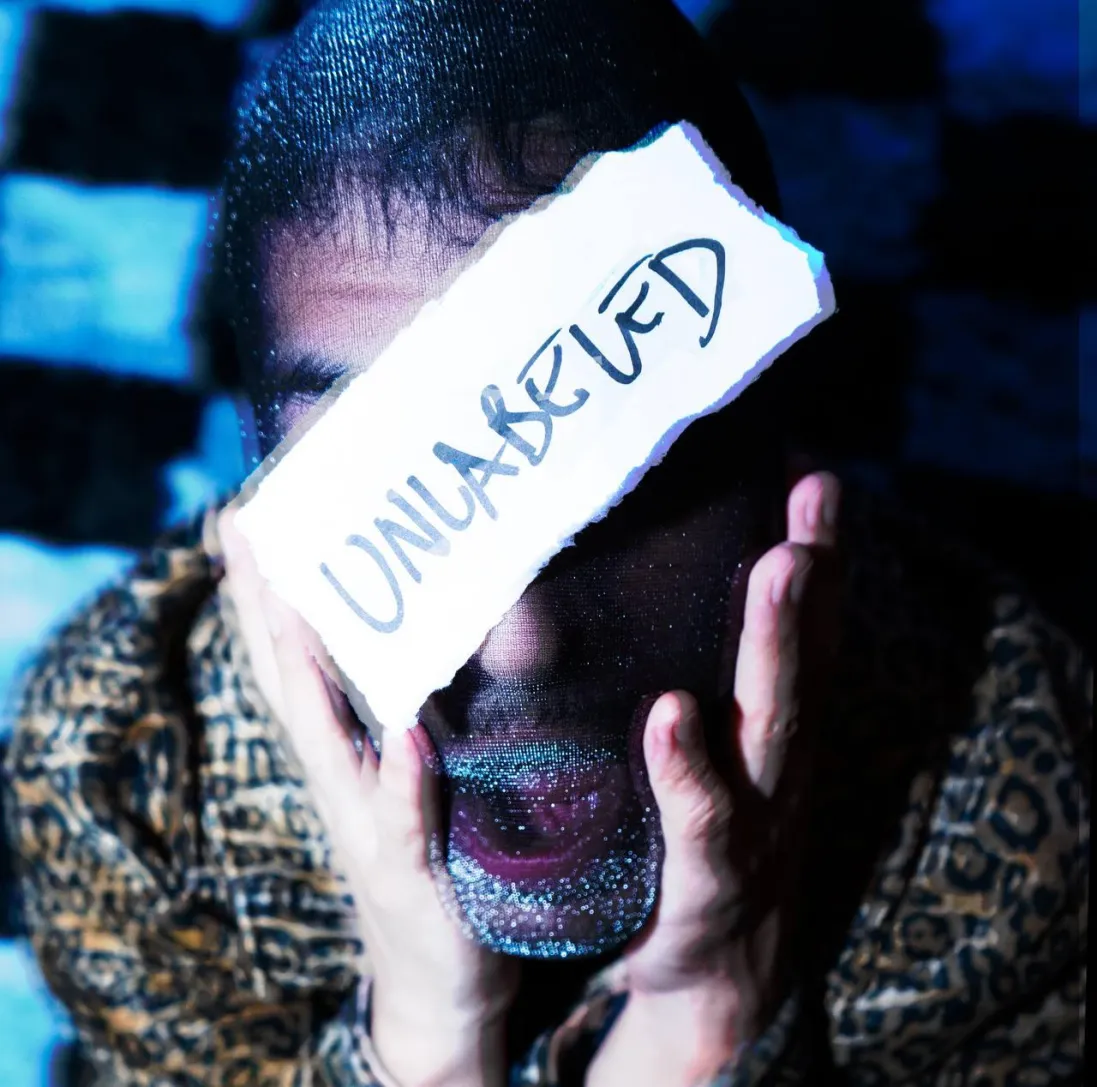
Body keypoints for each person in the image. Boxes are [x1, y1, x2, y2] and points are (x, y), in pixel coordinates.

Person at [4, 2, 1089, 1085]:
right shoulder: (119, 784)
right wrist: (426, 1033)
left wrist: (705, 1006)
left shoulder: (1017, 813)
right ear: (257, 490)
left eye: (625, 475)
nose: (518, 641)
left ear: (776, 457)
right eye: (376, 488)